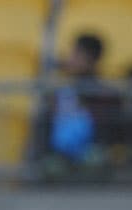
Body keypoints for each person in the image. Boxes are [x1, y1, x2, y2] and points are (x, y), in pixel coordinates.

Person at [37, 32, 123, 181]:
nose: (70, 59)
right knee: (50, 166)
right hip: (59, 153)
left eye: (76, 54)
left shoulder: (104, 94)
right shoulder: (61, 92)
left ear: (90, 59)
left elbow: (111, 131)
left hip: (92, 151)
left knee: (94, 160)